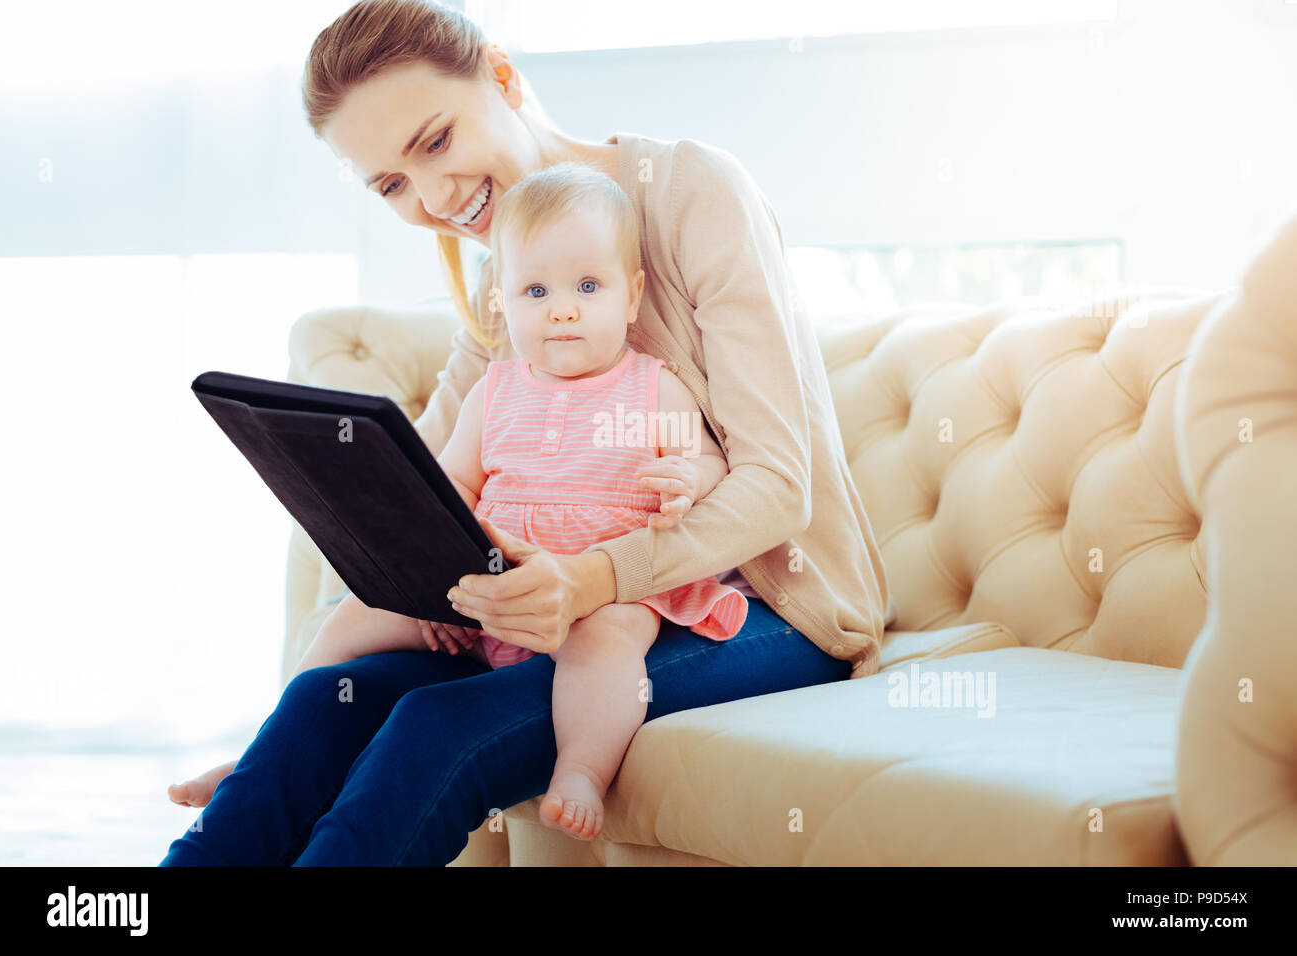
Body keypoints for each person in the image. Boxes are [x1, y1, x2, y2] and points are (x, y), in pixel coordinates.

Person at [162, 0, 894, 866]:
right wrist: (391, 533)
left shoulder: (691, 191)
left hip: (760, 605)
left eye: (434, 142)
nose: (432, 198)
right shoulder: (506, 285)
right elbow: (428, 467)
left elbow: (777, 483)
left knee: (438, 727)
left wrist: (592, 579)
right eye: (390, 185)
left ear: (503, 78)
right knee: (331, 704)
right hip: (570, 611)